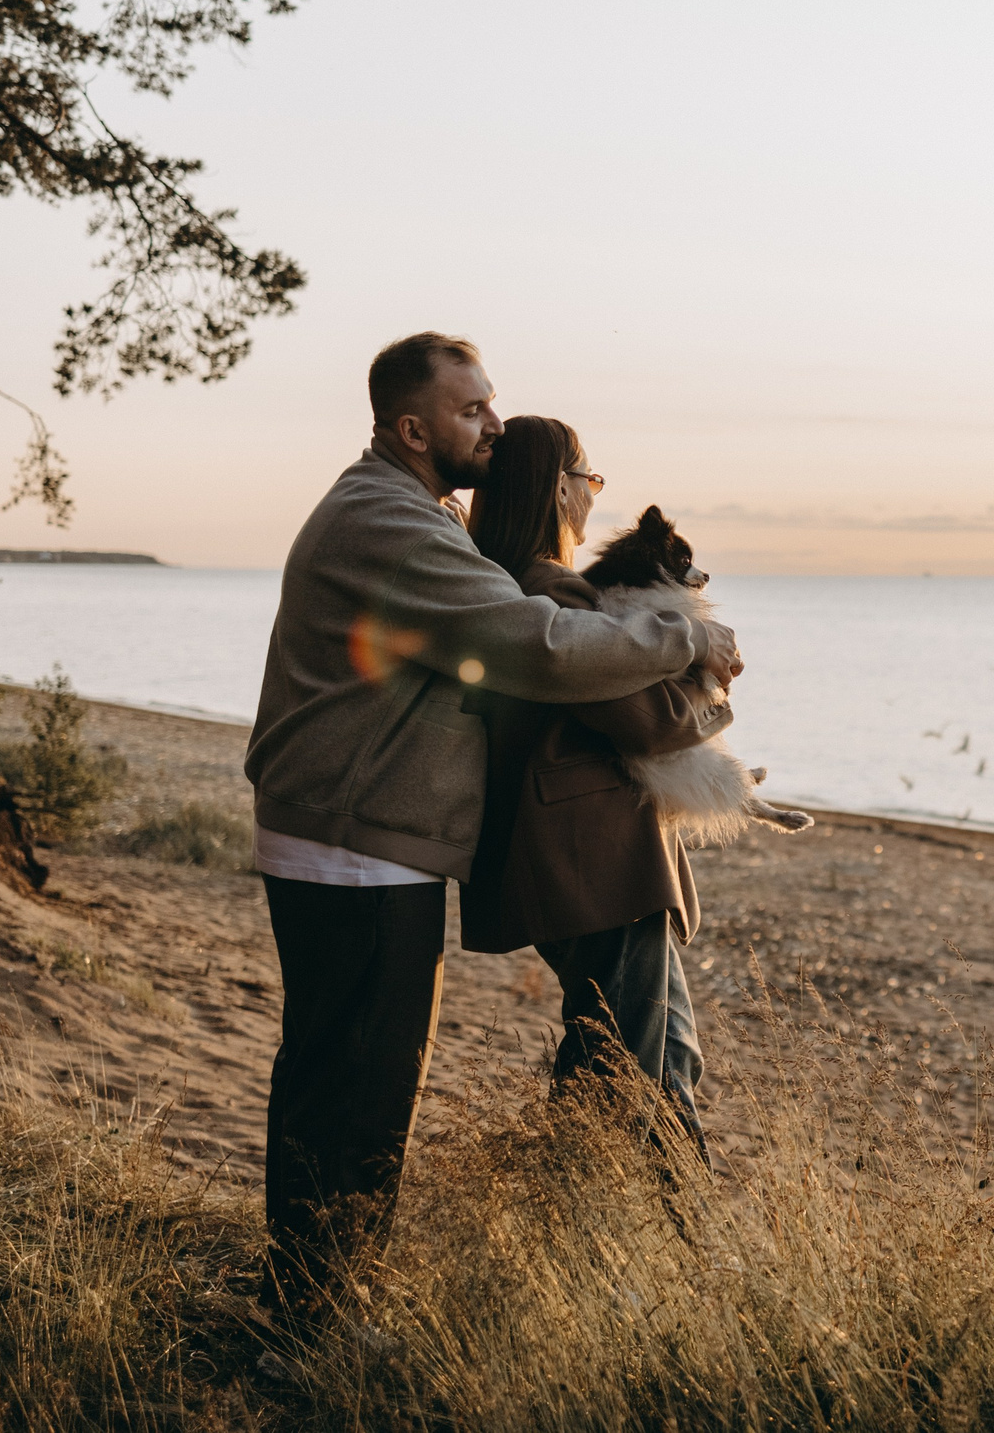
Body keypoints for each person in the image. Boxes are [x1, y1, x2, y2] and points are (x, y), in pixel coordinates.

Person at [244, 333, 740, 1316]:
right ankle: (319, 1315)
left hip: (355, 835)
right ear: (412, 427)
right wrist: (688, 631)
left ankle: (307, 1299)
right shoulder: (390, 523)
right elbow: (546, 650)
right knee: (359, 1092)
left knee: (338, 1079)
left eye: (493, 403)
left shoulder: (401, 513)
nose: (496, 425)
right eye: (473, 411)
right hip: (356, 848)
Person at [458, 416, 720, 1153]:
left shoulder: (516, 584)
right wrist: (708, 685)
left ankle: (653, 1237)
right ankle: (629, 1234)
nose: (593, 498)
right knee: (630, 1065)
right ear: (558, 487)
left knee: (650, 1054)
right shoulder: (551, 591)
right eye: (589, 480)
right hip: (595, 862)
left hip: (581, 862)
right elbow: (642, 719)